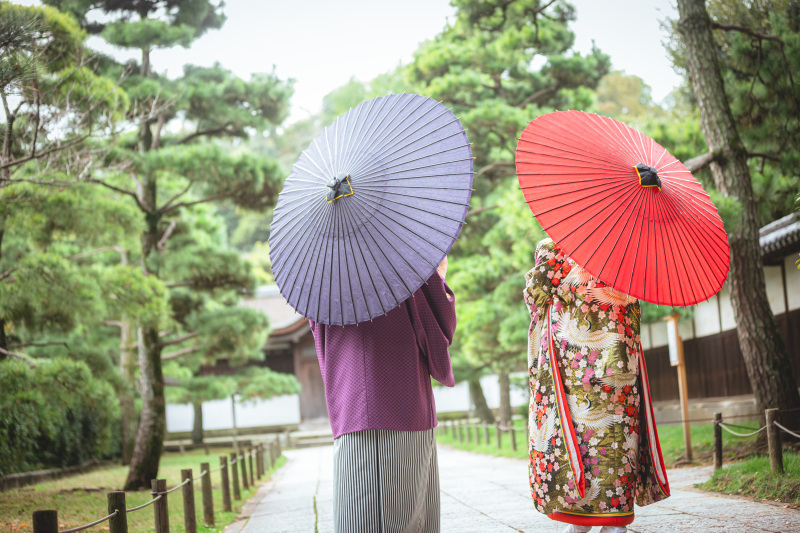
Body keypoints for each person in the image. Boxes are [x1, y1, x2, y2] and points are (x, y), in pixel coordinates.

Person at [523, 238, 670, 533]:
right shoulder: (626, 246)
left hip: (573, 372)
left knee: (580, 439)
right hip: (618, 365)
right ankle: (615, 518)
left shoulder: (553, 249)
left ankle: (581, 520)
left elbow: (535, 296)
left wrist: (557, 267)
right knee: (618, 436)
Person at [309, 257, 455, 533]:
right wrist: (437, 276)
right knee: (409, 508)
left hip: (349, 401)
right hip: (404, 395)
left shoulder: (318, 274)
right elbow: (438, 329)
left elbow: (321, 344)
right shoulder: (402, 261)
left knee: (357, 511)